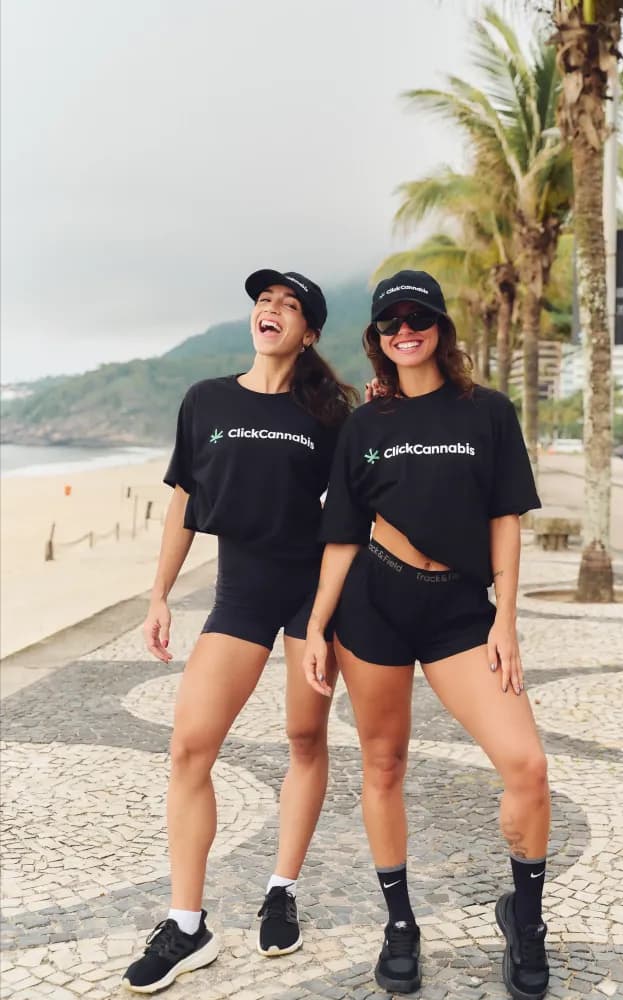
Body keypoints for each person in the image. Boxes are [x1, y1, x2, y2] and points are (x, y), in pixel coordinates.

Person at [303, 270, 549, 999]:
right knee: (382, 766)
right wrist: (318, 626)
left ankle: (525, 920)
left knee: (526, 765)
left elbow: (506, 515)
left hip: (461, 612)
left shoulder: (489, 414)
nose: (404, 330)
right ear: (377, 340)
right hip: (373, 602)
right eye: (390, 323)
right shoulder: (365, 426)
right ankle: (400, 925)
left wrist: (506, 616)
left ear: (440, 326)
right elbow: (343, 535)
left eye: (418, 318)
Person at [122, 269, 358, 995]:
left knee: (304, 738)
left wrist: (324, 618)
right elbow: (186, 503)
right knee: (191, 743)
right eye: (265, 301)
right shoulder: (207, 401)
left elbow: (351, 511)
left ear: (309, 331)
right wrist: (159, 595)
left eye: (290, 306)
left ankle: (281, 888)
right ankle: (187, 924)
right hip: (242, 589)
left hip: (313, 591)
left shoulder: (328, 412)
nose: (273, 311)